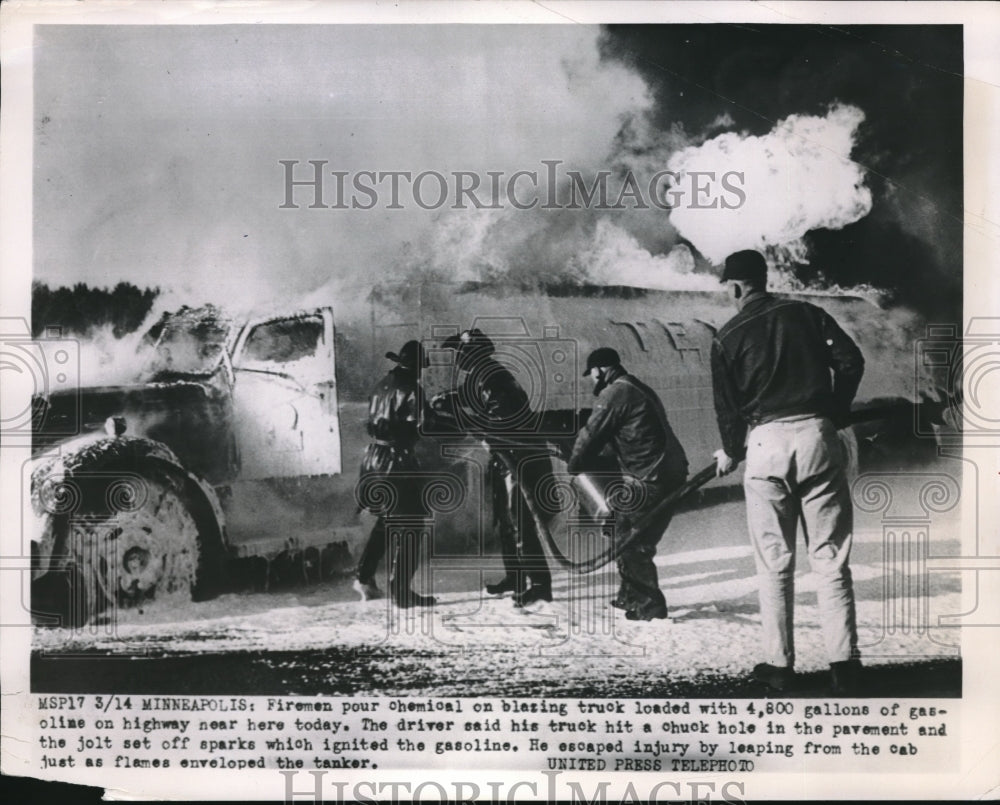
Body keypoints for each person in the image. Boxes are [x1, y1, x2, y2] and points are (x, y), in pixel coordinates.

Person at [710, 249, 865, 694]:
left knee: (774, 562)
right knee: (831, 557)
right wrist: (833, 414)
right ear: (764, 278)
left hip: (764, 444)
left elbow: (728, 407)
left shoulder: (727, 336)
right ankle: (845, 665)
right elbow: (851, 361)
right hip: (818, 436)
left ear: (736, 286)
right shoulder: (809, 314)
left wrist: (730, 450)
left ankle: (780, 666)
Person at [567, 347, 688, 621]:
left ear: (599, 370)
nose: (591, 379)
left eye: (591, 374)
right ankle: (631, 596)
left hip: (650, 476)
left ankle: (649, 606)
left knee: (631, 537)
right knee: (626, 529)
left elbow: (590, 435)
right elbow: (631, 435)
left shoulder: (615, 393)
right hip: (668, 471)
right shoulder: (636, 387)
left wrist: (573, 466)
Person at [436, 329, 554, 607]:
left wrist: (463, 420)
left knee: (521, 524)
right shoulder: (484, 374)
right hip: (508, 458)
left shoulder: (491, 377)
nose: (458, 359)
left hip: (519, 458)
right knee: (506, 523)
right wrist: (447, 399)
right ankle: (515, 577)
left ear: (472, 353)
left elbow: (499, 418)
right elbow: (468, 395)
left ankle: (539, 585)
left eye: (460, 353)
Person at [354, 340, 436, 608]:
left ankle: (363, 578)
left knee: (387, 521)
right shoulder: (412, 389)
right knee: (412, 525)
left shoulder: (381, 385)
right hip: (397, 462)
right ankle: (400, 592)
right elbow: (426, 427)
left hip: (374, 460)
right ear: (416, 367)